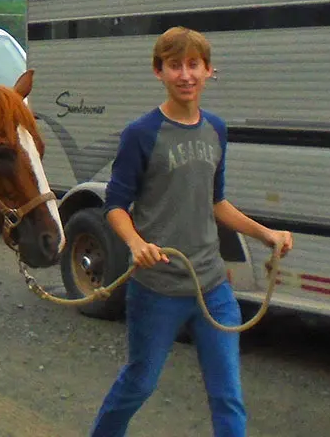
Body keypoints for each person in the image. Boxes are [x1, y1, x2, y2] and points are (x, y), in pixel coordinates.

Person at [89, 26, 294, 437]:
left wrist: (265, 233)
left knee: (227, 396)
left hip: (212, 289)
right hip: (158, 289)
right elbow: (115, 206)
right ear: (158, 72)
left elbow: (216, 202)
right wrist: (135, 243)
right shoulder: (141, 134)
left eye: (194, 65)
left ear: (208, 71)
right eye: (175, 65)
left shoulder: (216, 129)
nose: (185, 75)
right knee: (140, 383)